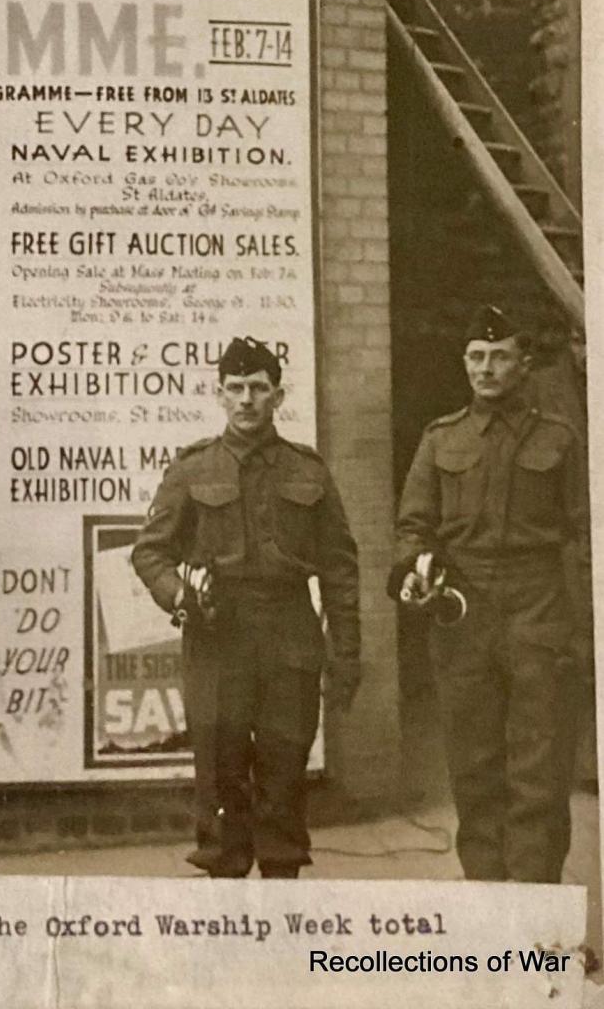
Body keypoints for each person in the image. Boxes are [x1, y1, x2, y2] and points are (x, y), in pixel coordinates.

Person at [132, 336, 360, 879]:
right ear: (219, 395)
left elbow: (340, 568)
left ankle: (281, 908)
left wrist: (345, 653)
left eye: (258, 388)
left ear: (278, 396)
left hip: (289, 634)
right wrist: (179, 595)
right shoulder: (192, 468)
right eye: (235, 389)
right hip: (219, 637)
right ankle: (227, 911)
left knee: (283, 778)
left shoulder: (309, 470)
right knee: (220, 775)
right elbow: (150, 550)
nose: (246, 400)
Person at [391, 305, 593, 882]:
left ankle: (536, 924)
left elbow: (582, 533)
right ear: (464, 364)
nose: (487, 367)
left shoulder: (561, 439)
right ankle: (487, 914)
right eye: (477, 357)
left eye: (499, 356)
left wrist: (578, 629)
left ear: (523, 364)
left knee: (539, 773)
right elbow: (413, 526)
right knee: (474, 770)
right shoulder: (440, 438)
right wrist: (415, 568)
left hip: (539, 610)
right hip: (464, 615)